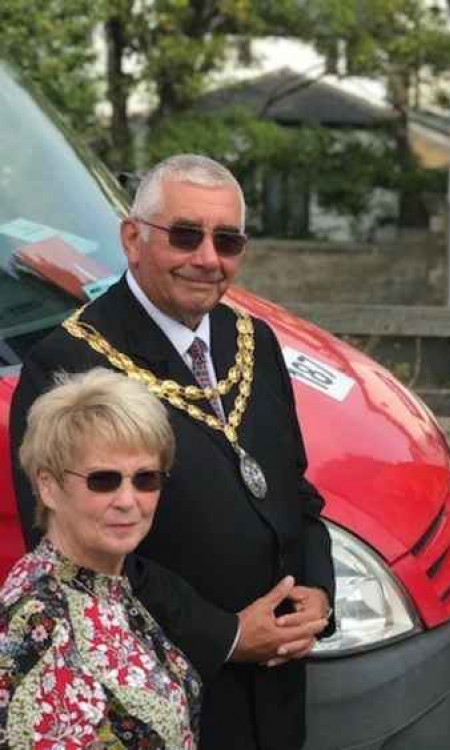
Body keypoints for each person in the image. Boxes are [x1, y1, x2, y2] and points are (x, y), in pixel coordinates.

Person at [9, 154, 333, 750]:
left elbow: (293, 487)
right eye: (185, 235)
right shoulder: (67, 364)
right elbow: (71, 554)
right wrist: (228, 635)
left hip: (281, 690)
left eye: (228, 241)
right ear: (133, 239)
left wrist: (318, 590)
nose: (208, 259)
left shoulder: (253, 339)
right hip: (162, 693)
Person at [2, 368, 200, 747]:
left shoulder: (105, 583)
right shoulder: (38, 624)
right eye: (103, 480)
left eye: (145, 479)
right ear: (48, 486)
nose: (127, 501)